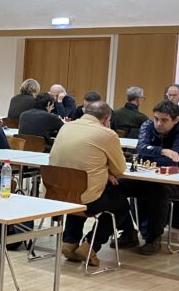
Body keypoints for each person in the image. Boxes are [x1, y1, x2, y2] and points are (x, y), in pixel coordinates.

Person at [49, 102, 130, 266]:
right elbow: (120, 169)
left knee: (76, 193)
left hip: (57, 194)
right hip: (86, 199)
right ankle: (90, 246)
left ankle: (69, 242)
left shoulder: (66, 127)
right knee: (120, 205)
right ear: (106, 119)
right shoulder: (107, 134)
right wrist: (107, 170)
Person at [137, 100, 179, 168]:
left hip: (172, 172)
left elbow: (174, 161)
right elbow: (140, 148)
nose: (159, 124)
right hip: (147, 169)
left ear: (176, 120)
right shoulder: (147, 125)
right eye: (156, 119)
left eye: (164, 120)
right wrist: (162, 151)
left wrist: (146, 158)